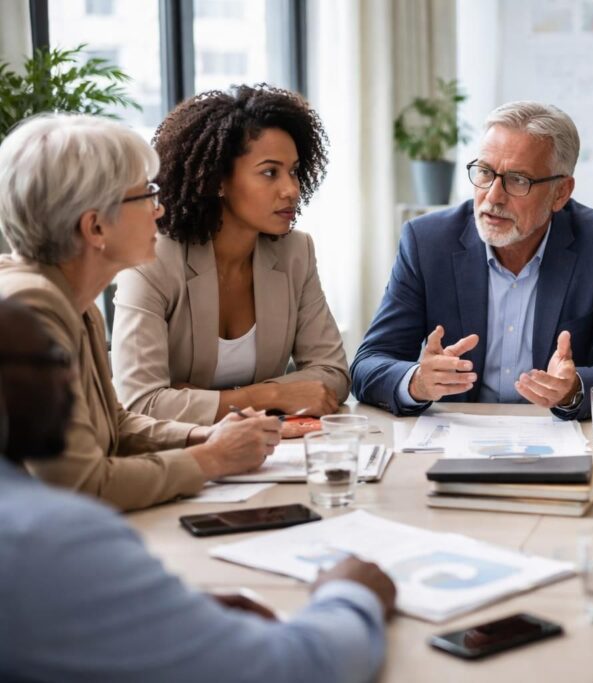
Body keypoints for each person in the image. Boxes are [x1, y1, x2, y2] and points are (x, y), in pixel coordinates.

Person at [0, 298, 397, 682]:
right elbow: (297, 668)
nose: (71, 375)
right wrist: (350, 593)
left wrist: (169, 617)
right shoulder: (49, 539)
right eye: (54, 358)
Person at [0, 113, 281, 511]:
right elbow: (81, 486)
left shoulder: (72, 300)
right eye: (145, 195)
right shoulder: (33, 309)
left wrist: (202, 436)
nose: (160, 210)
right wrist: (213, 458)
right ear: (95, 228)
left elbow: (114, 424)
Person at [351, 101, 593, 419]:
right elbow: (369, 363)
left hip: (555, 434)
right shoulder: (427, 242)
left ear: (561, 192)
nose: (493, 196)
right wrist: (417, 383)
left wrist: (573, 389)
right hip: (457, 433)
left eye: (518, 180)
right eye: (484, 172)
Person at [111, 84, 349, 427]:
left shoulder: (296, 252)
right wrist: (271, 396)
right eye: (270, 172)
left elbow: (333, 374)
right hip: (177, 459)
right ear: (217, 180)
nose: (291, 189)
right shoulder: (153, 260)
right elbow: (140, 402)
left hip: (267, 452)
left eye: (294, 171)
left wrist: (197, 399)